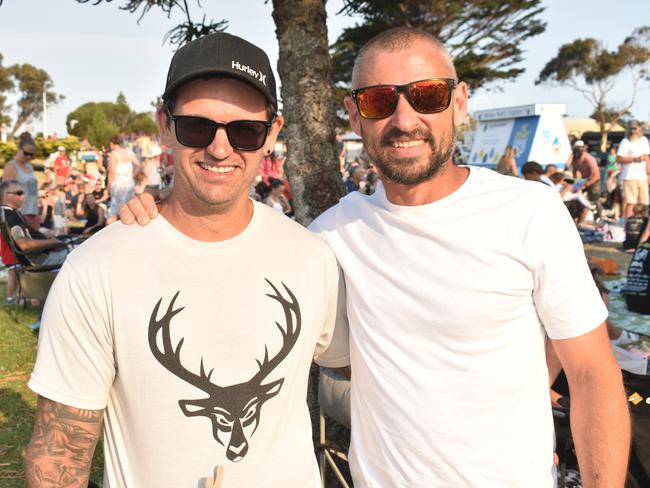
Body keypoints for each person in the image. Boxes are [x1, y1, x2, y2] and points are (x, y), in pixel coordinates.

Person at [122, 27, 630, 487]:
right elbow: (230, 270)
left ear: (459, 102)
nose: (403, 119)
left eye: (427, 95)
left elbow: (591, 373)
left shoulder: (529, 211)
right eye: (379, 101)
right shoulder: (329, 239)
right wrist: (161, 214)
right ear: (354, 114)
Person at [24, 32, 348, 488]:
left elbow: (368, 368)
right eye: (198, 126)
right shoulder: (96, 269)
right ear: (165, 124)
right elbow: (59, 457)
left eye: (245, 131)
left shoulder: (313, 258)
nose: (220, 148)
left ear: (272, 134)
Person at [0, 180, 68, 267]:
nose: (24, 196)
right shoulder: (11, 216)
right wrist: (53, 242)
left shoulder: (10, 212)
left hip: (42, 255)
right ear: (6, 196)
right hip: (39, 260)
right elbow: (24, 245)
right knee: (77, 253)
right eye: (19, 193)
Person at [2, 138, 40, 232]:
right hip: (20, 212)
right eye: (26, 153)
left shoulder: (30, 167)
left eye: (31, 154)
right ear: (19, 150)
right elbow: (4, 192)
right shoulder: (11, 166)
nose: (28, 157)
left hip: (33, 210)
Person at [618, 121, 650, 220]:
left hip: (642, 177)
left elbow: (647, 158)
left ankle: (643, 224)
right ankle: (628, 224)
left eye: (635, 128)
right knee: (631, 202)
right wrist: (635, 159)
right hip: (629, 176)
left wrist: (649, 174)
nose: (633, 131)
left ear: (640, 129)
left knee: (644, 203)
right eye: (631, 129)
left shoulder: (644, 140)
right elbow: (619, 159)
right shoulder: (625, 142)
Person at [107, 135, 140, 222]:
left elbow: (111, 173)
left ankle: (111, 233)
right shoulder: (128, 152)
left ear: (112, 143)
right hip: (129, 182)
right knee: (128, 210)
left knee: (114, 212)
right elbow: (138, 164)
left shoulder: (114, 154)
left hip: (119, 183)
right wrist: (132, 176)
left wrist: (108, 188)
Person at [568, 140, 601, 223]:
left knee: (594, 198)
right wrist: (577, 184)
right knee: (576, 197)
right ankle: (576, 216)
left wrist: (587, 184)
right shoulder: (574, 158)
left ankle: (598, 216)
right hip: (583, 179)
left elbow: (596, 175)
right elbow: (574, 171)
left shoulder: (589, 159)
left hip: (593, 179)